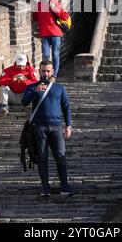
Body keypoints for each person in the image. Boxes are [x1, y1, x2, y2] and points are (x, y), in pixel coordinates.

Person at [22, 60, 73, 197]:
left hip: (56, 127)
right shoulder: (32, 87)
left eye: (48, 71)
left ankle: (64, 186)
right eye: (43, 71)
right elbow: (24, 102)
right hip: (39, 127)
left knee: (60, 157)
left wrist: (68, 125)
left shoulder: (59, 88)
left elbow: (66, 107)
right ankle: (45, 188)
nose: (46, 73)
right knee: (42, 158)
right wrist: (35, 91)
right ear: (39, 71)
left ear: (53, 72)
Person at [33, 0, 69, 79]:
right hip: (44, 33)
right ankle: (45, 75)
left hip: (55, 33)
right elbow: (35, 18)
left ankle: (54, 75)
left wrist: (55, 9)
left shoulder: (54, 3)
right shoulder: (39, 5)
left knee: (55, 54)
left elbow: (65, 16)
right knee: (45, 55)